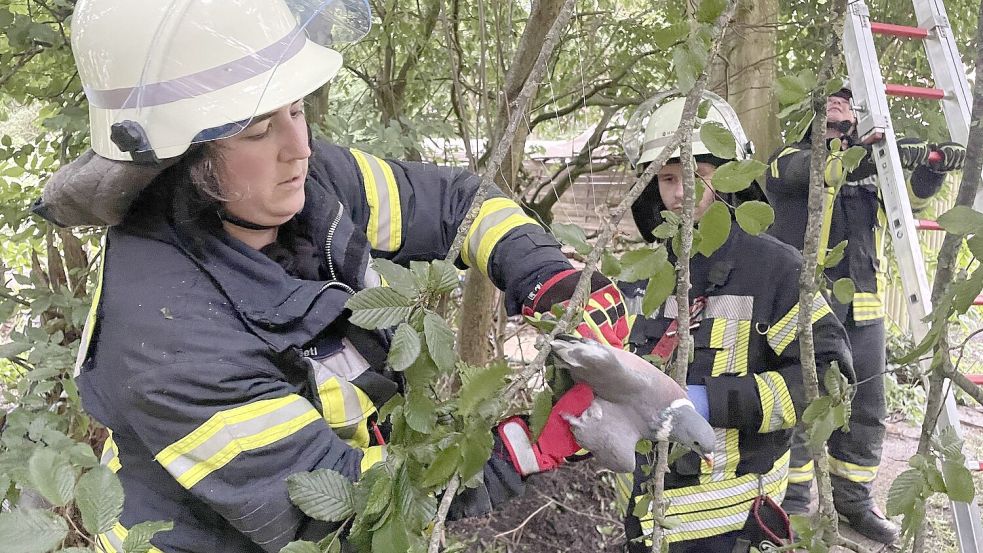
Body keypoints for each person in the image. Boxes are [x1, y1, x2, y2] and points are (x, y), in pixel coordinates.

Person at [35, 1, 634, 551]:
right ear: (179, 158)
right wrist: (531, 447)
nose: (299, 146)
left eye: (296, 109)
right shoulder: (174, 345)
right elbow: (345, 509)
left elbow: (456, 203)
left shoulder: (299, 185)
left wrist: (549, 278)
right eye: (258, 129)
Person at [617, 92, 854, 553]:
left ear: (727, 178)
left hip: (732, 529)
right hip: (647, 523)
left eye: (694, 175)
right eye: (667, 178)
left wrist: (709, 403)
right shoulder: (643, 271)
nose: (679, 191)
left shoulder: (776, 271)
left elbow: (828, 380)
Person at [764, 87, 966, 544]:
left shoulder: (870, 170)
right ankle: (790, 505)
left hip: (865, 311)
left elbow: (909, 204)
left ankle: (853, 501)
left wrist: (928, 172)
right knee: (800, 402)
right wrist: (868, 156)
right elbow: (820, 173)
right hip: (806, 306)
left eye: (849, 102)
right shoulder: (787, 160)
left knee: (868, 412)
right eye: (832, 100)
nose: (841, 104)